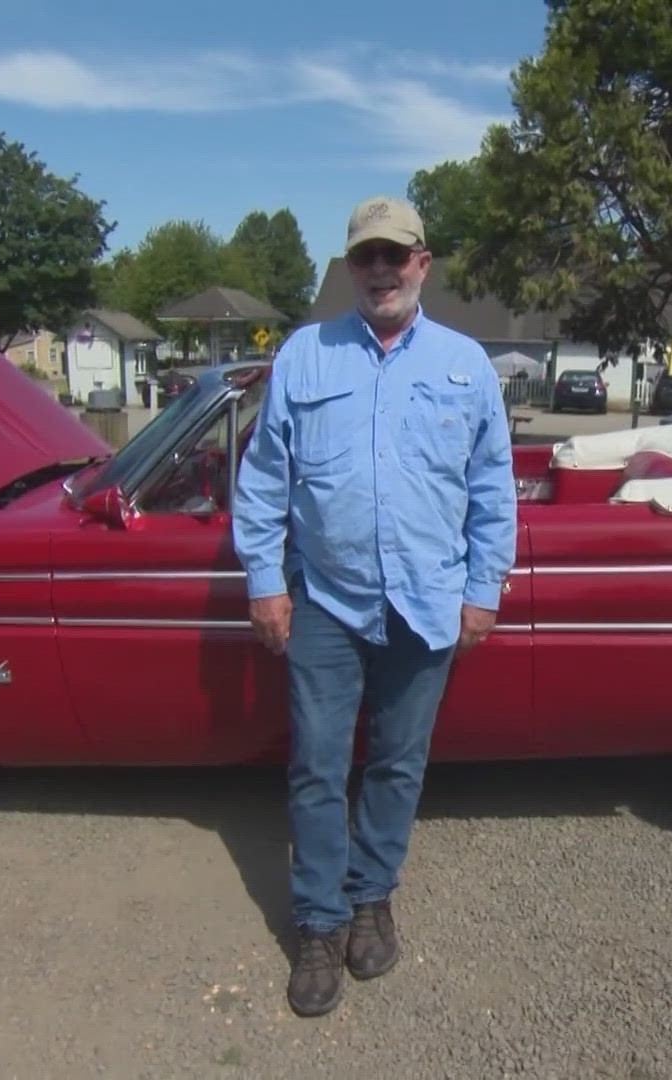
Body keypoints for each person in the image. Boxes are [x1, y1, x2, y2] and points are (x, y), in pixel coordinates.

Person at [231, 195, 518, 1018]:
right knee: (317, 766)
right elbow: (264, 484)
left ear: (424, 263)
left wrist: (482, 588)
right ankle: (319, 922)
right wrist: (266, 582)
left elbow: (492, 488)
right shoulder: (305, 356)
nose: (382, 270)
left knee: (397, 763)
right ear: (349, 268)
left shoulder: (466, 365)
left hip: (428, 604)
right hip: (326, 600)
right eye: (367, 257)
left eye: (398, 255)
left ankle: (370, 899)